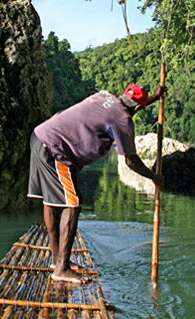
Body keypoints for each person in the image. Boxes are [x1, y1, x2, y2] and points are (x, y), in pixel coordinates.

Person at [27, 84, 166, 284]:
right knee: (73, 203)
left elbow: (119, 111)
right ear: (137, 109)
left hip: (41, 135)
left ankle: (57, 260)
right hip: (56, 149)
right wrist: (153, 177)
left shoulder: (104, 96)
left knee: (52, 202)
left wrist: (154, 96)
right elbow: (130, 160)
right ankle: (62, 269)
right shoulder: (122, 119)